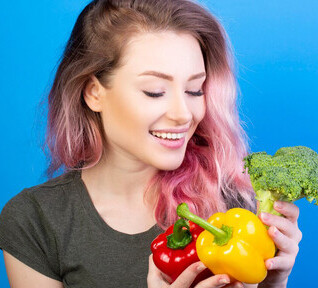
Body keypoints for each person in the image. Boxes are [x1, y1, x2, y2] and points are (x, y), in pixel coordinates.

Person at [0, 0, 302, 287]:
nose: (184, 114)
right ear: (93, 92)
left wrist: (274, 283)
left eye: (195, 90)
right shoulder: (34, 220)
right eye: (155, 92)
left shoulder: (235, 208)